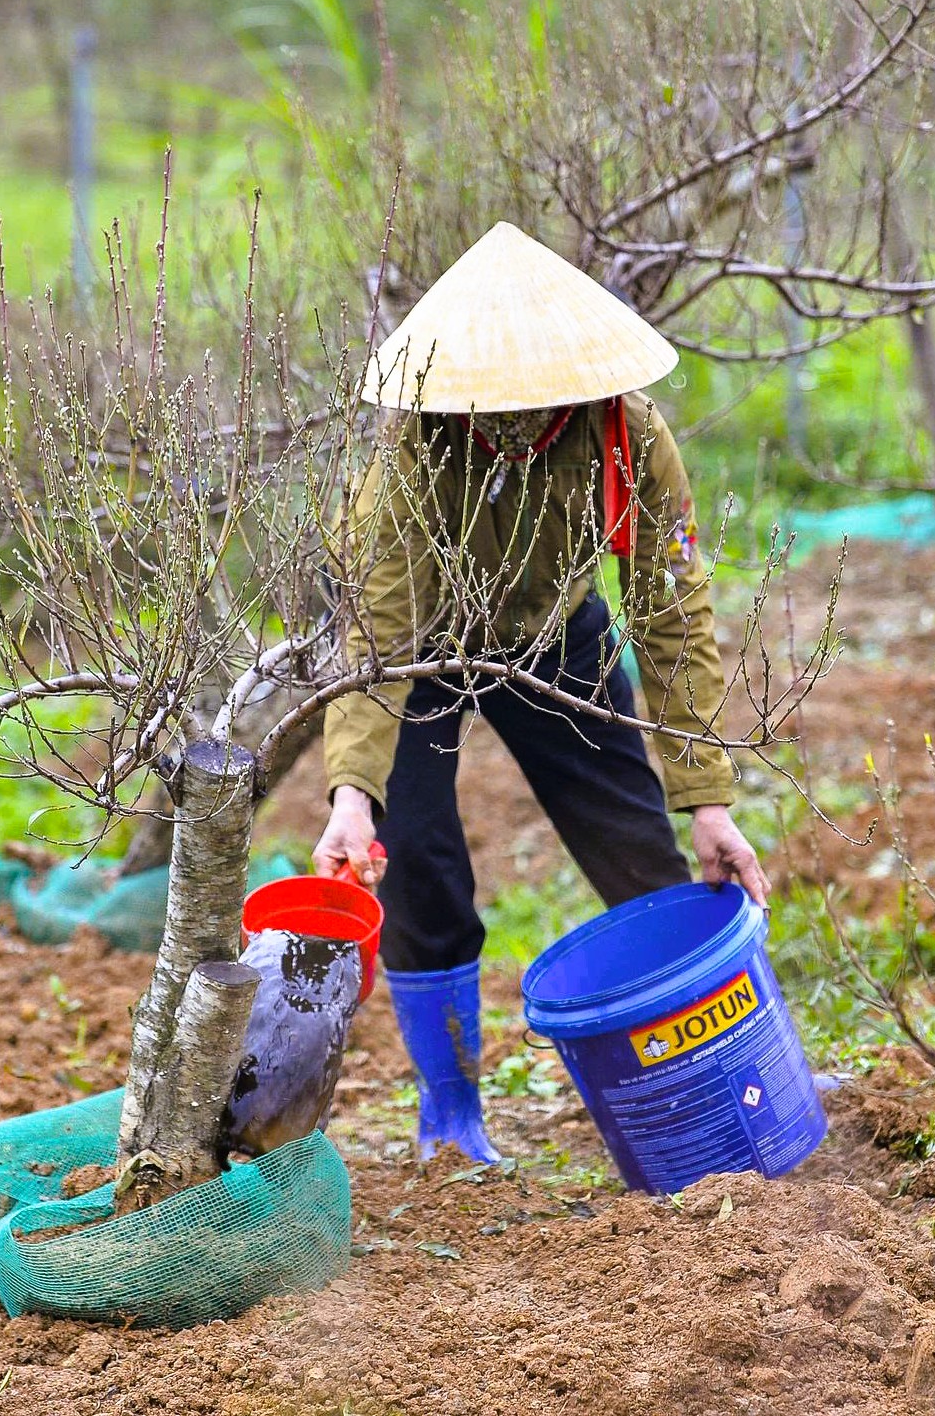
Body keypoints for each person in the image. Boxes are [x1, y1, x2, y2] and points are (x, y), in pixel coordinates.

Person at [314, 222, 768, 1163]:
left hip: (558, 638)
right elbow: (376, 631)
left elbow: (671, 607)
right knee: (424, 871)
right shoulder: (415, 454)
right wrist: (354, 799)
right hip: (425, 658)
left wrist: (709, 798)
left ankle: (717, 1061)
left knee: (644, 850)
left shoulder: (627, 433)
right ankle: (450, 1110)